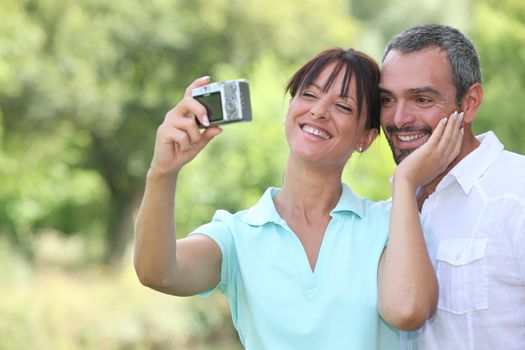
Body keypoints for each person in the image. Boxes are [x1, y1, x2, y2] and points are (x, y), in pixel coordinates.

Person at [134, 47, 463, 349]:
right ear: (290, 109)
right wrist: (162, 172)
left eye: (343, 106)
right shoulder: (237, 234)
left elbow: (408, 310)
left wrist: (405, 182)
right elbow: (158, 273)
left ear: (365, 137)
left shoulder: (389, 222)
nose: (319, 111)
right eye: (309, 95)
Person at [379, 24, 525, 350]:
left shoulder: (517, 193)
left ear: (470, 103)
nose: (399, 117)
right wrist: (405, 184)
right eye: (387, 99)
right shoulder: (390, 210)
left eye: (421, 98)